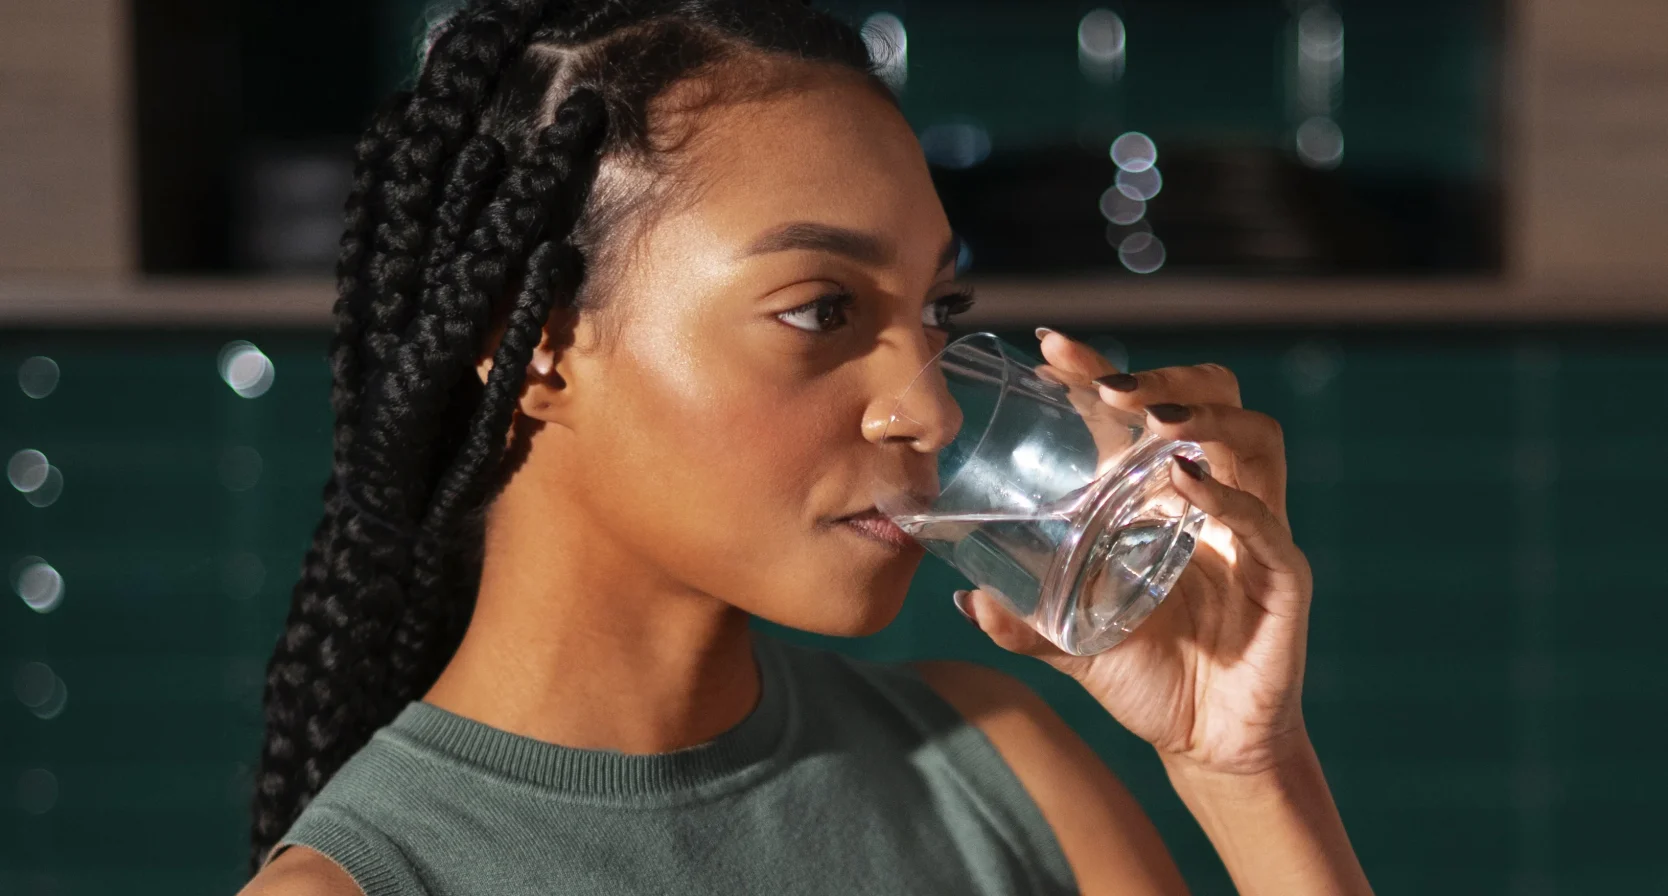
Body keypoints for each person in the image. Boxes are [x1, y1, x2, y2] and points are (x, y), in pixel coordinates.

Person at [239, 1, 1372, 893]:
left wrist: (1248, 770)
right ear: (533, 346)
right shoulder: (370, 883)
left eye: (937, 308)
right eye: (822, 309)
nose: (926, 407)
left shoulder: (996, 772)